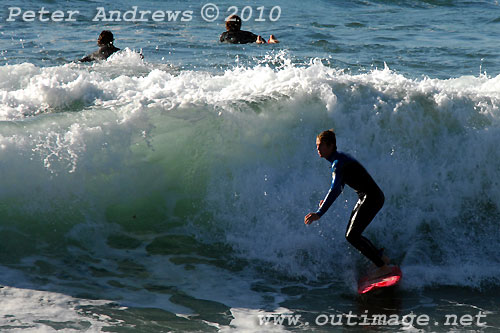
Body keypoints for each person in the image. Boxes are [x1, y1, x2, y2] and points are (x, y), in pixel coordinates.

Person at [304, 130, 392, 279]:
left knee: (352, 236)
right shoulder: (340, 159)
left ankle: (383, 267)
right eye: (317, 146)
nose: (317, 149)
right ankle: (381, 259)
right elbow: (339, 186)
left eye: (320, 146)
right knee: (353, 235)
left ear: (330, 146)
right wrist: (324, 202)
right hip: (368, 197)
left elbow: (335, 189)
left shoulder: (338, 163)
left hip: (371, 198)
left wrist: (319, 213)